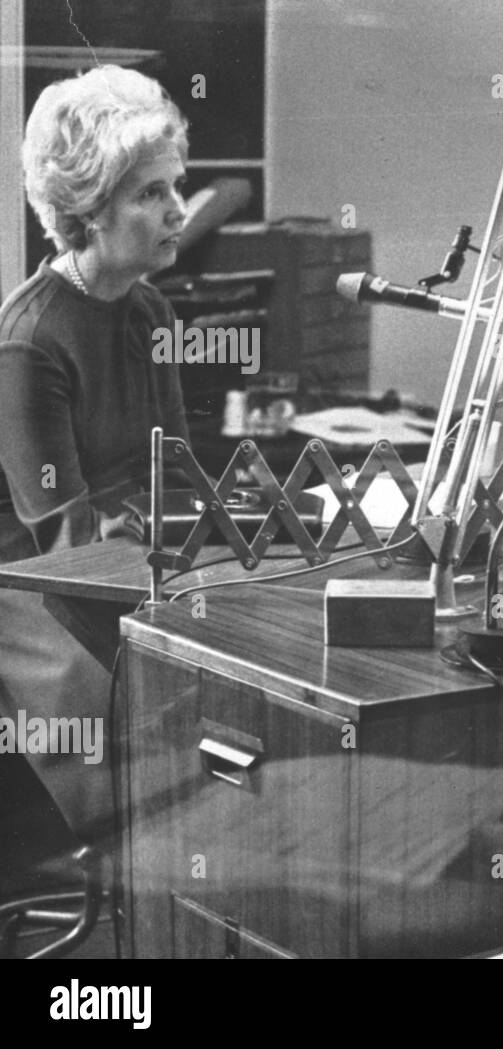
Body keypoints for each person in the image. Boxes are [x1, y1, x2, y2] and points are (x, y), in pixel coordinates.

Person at [0, 65, 190, 843]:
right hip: (36, 595)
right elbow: (67, 546)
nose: (179, 209)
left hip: (129, 566)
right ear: (87, 211)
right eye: (150, 194)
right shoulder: (29, 339)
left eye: (176, 185)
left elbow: (178, 473)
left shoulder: (151, 309)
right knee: (156, 745)